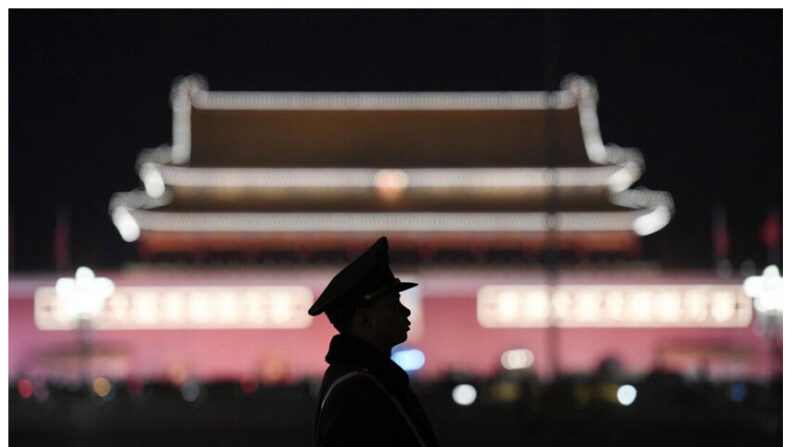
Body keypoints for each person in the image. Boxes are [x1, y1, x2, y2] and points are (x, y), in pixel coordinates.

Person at [308, 236, 439, 447]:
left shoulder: (366, 379)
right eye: (393, 304)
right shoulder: (355, 392)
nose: (406, 312)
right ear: (365, 320)